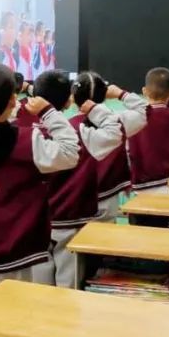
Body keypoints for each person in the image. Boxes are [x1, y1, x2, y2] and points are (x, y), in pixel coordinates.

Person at [0, 64, 79, 305]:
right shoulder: (28, 140)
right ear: (14, 100)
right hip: (26, 256)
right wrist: (48, 112)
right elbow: (70, 151)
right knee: (27, 324)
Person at [33, 70, 123, 288]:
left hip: (34, 224)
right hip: (71, 220)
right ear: (68, 100)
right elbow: (115, 131)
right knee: (69, 286)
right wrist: (95, 109)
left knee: (37, 289)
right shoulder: (81, 132)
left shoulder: (23, 133)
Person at [69, 72, 149, 222]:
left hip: (74, 198)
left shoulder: (65, 129)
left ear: (73, 98)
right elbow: (146, 111)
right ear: (105, 95)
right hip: (108, 197)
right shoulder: (118, 122)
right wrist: (121, 94)